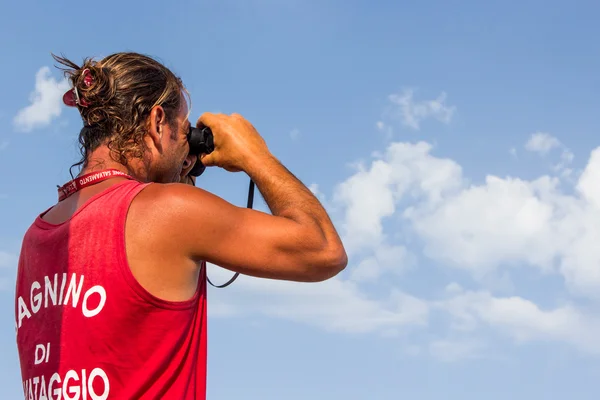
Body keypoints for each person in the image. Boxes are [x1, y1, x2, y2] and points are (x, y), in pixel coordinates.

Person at [14, 52, 347, 400]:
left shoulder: (35, 238)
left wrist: (178, 171)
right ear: (158, 122)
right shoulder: (169, 212)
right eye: (183, 131)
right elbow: (324, 250)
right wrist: (254, 155)